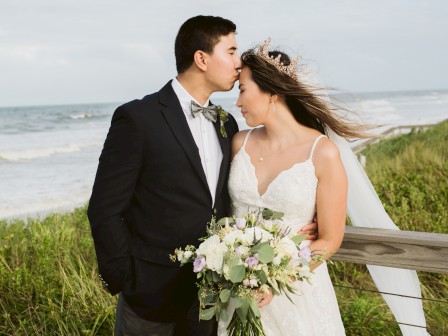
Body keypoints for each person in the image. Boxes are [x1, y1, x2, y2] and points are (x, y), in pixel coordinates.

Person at [88, 16, 319, 336]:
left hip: (211, 298)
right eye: (231, 51)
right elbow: (105, 208)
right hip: (148, 297)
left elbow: (233, 197)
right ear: (201, 58)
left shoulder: (227, 124)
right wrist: (124, 279)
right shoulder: (138, 118)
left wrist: (303, 219)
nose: (239, 64)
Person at [217, 39, 371, 335]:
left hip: (296, 292)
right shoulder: (239, 142)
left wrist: (277, 280)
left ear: (272, 91)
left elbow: (329, 240)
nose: (237, 103)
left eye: (243, 90)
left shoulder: (322, 152)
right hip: (238, 290)